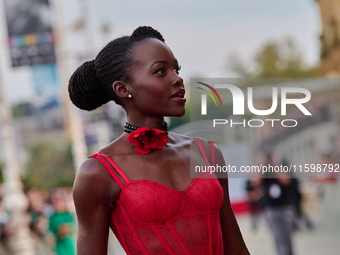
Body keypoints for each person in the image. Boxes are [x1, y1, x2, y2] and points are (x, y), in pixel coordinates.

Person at [69, 26, 249, 255]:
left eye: (176, 68)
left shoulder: (207, 153)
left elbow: (237, 248)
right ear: (123, 89)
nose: (178, 79)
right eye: (161, 71)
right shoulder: (98, 172)